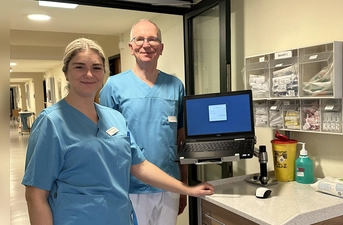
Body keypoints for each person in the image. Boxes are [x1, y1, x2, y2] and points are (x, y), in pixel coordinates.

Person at [22, 37, 214, 225]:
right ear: (66, 72)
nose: (89, 74)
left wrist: (187, 189)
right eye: (79, 66)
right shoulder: (51, 122)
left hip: (119, 216)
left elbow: (139, 165)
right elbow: (35, 196)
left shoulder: (114, 118)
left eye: (96, 68)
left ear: (104, 73)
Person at [99, 19, 188, 225]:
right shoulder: (114, 86)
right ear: (131, 47)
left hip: (169, 183)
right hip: (129, 186)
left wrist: (183, 184)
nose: (146, 45)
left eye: (152, 39)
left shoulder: (175, 85)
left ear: (161, 48)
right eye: (139, 39)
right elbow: (104, 145)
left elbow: (181, 141)